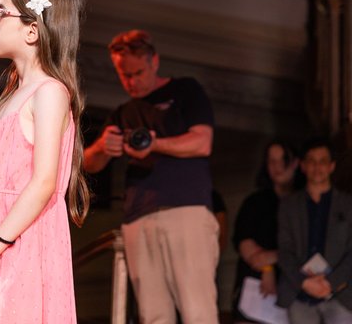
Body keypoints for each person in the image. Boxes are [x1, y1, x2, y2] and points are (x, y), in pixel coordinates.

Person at [0, 0, 90, 323]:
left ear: (32, 31)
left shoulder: (50, 93)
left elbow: (43, 182)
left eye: (1, 13)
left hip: (20, 247)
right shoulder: (6, 102)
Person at [83, 29, 219, 323]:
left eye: (138, 72)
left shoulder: (185, 90)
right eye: (124, 74)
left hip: (185, 210)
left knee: (198, 312)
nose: (132, 81)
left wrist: (155, 143)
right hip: (137, 217)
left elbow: (202, 142)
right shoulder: (122, 113)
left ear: (154, 62)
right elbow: (89, 164)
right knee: (153, 315)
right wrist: (103, 146)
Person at [277, 137, 352, 323]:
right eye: (311, 161)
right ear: (302, 165)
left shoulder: (348, 204)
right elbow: (284, 250)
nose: (317, 167)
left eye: (323, 161)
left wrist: (330, 283)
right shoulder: (289, 205)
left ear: (332, 166)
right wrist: (304, 282)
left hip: (340, 293)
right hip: (299, 291)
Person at [231, 140, 301, 322]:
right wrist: (267, 266)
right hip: (255, 292)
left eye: (282, 160)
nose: (277, 166)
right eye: (271, 161)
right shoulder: (255, 201)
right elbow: (244, 242)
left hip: (294, 291)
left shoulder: (304, 203)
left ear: (295, 163)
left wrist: (275, 256)